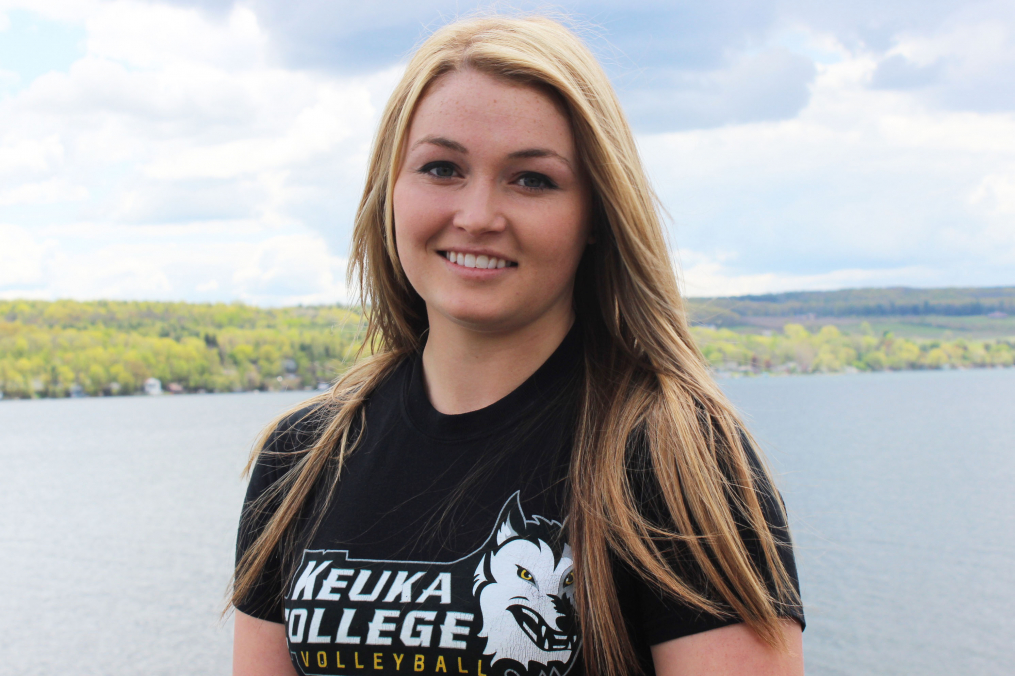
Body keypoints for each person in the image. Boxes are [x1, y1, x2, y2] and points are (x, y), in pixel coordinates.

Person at [231, 15, 804, 676]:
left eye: (531, 179)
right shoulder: (302, 458)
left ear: (596, 213)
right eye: (441, 168)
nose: (476, 216)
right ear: (389, 192)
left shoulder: (674, 460)